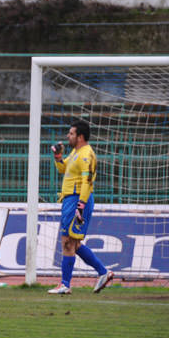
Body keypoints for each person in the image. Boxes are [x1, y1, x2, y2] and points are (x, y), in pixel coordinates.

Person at [48, 119, 114, 295]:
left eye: (71, 133)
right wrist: (58, 157)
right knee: (71, 243)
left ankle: (65, 284)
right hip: (69, 200)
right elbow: (63, 169)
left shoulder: (87, 154)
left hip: (78, 200)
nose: (68, 136)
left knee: (69, 241)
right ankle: (103, 272)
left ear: (80, 136)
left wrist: (81, 204)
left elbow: (87, 180)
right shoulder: (75, 153)